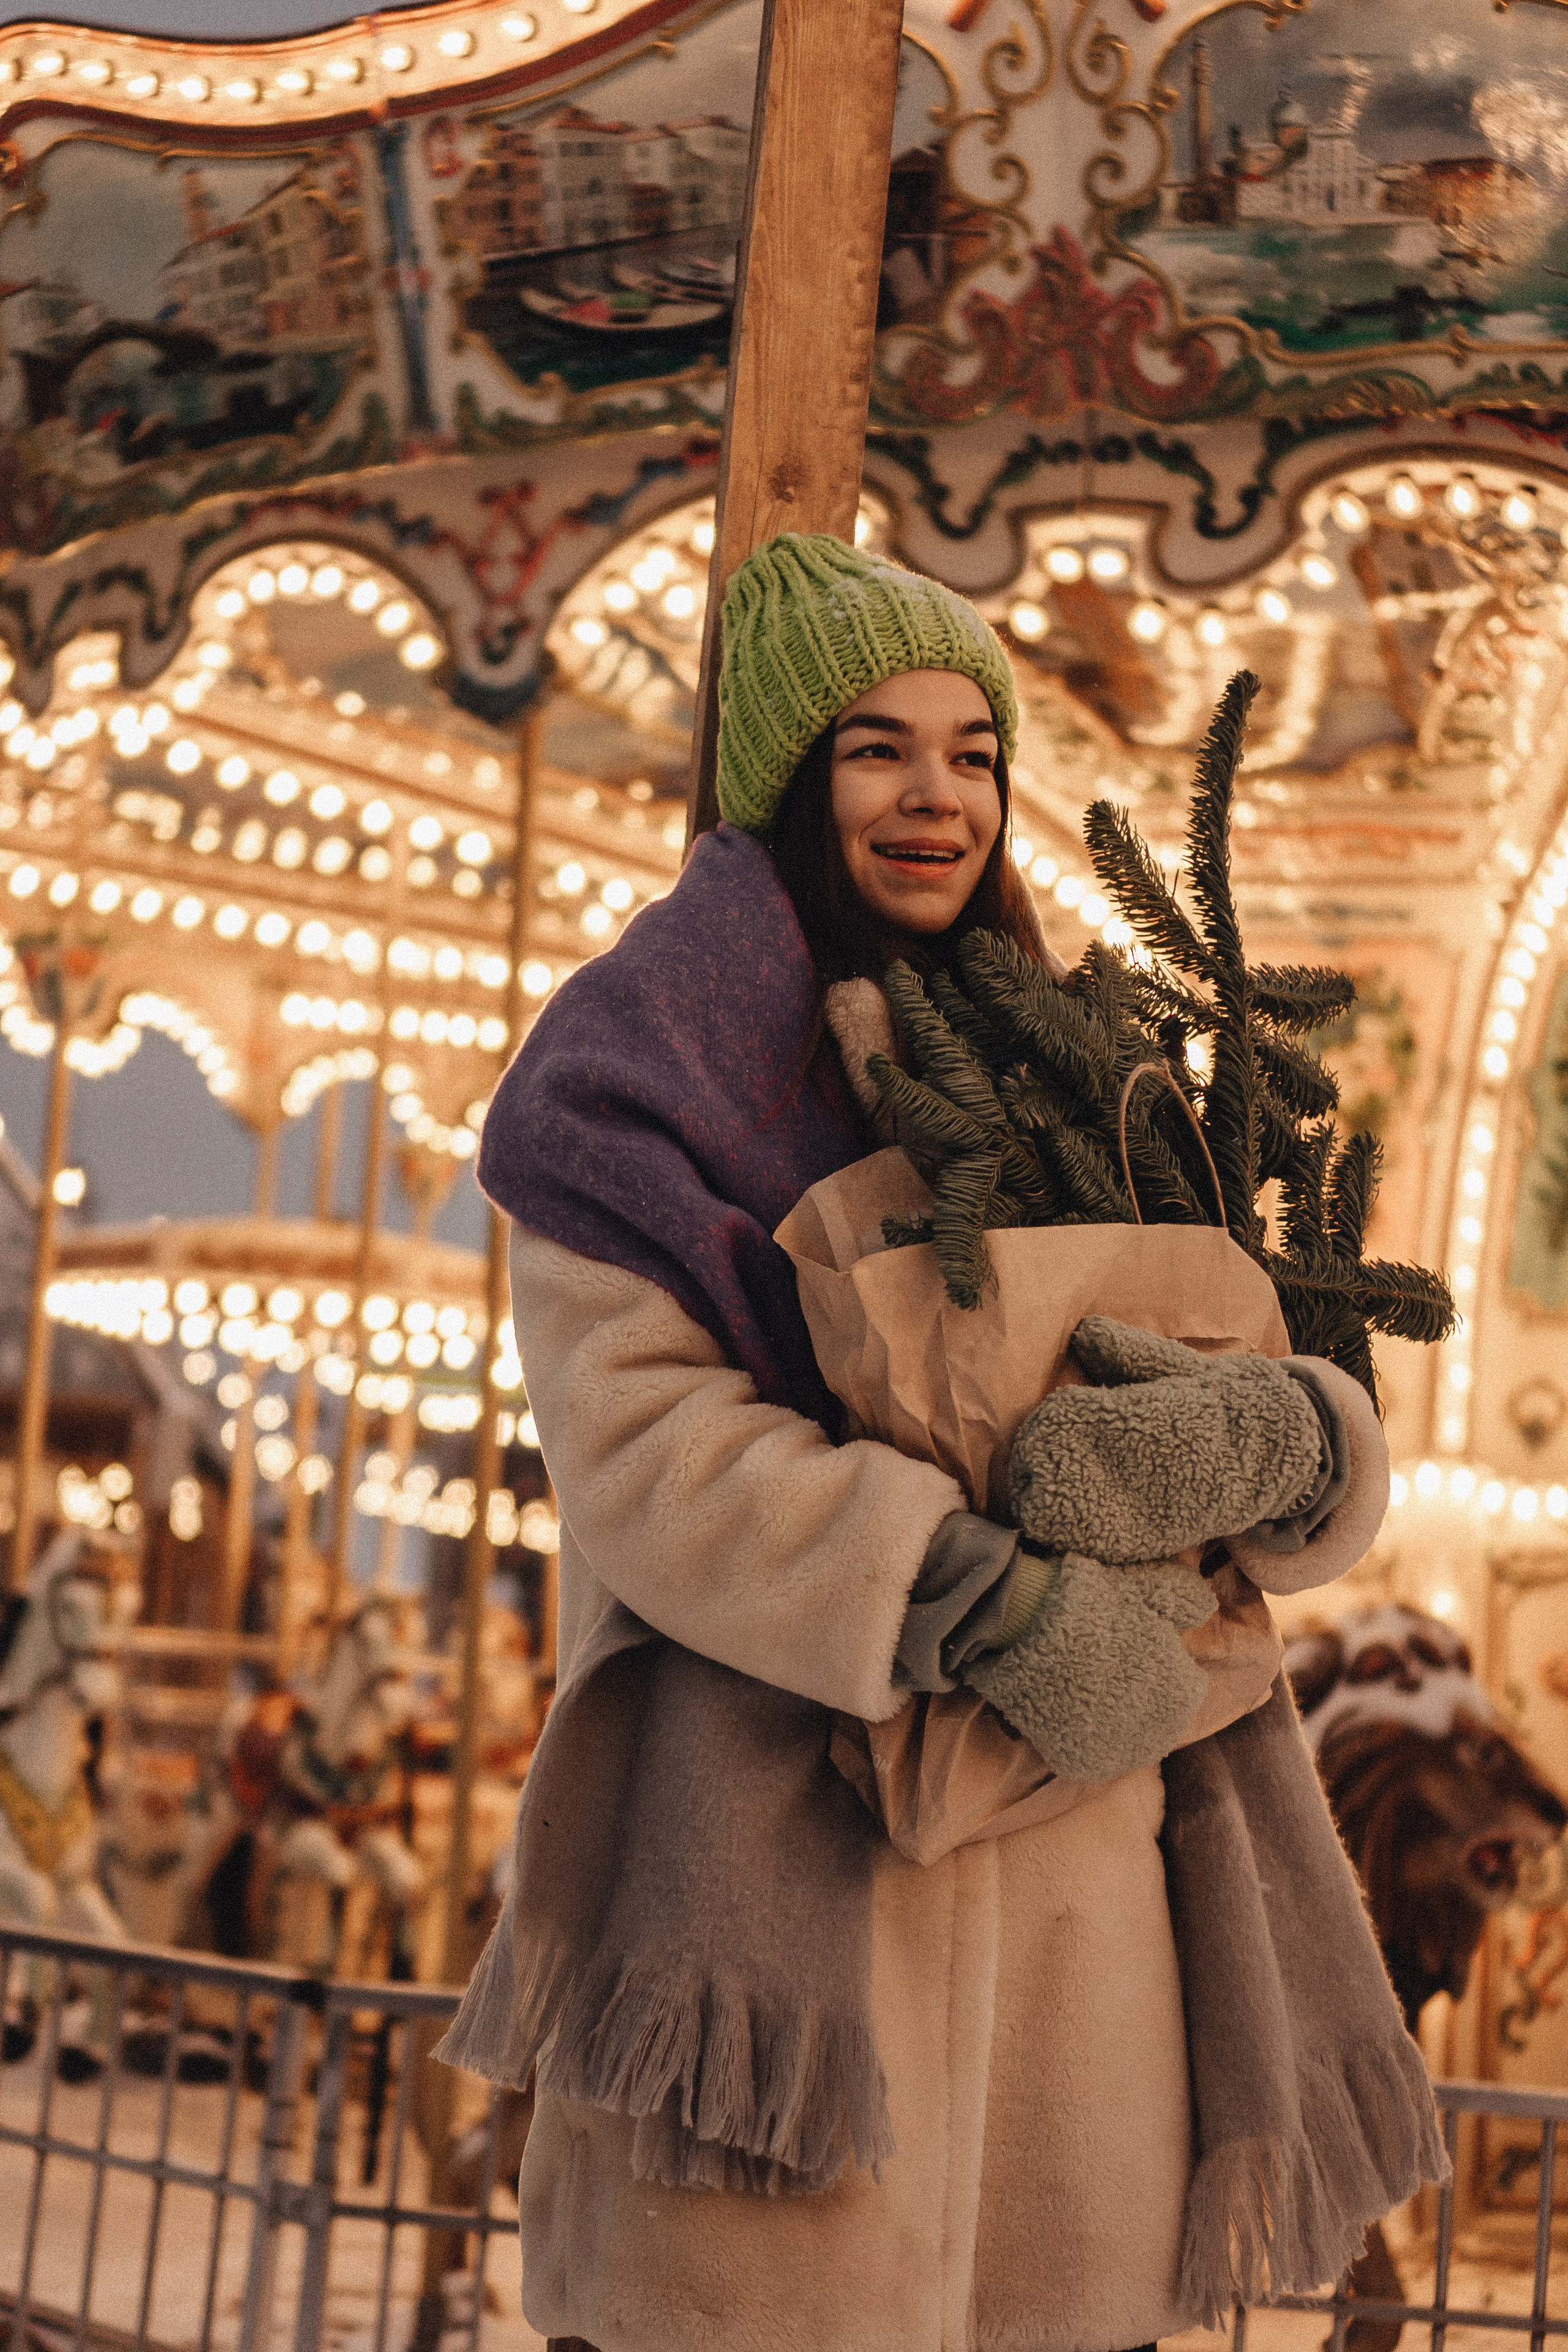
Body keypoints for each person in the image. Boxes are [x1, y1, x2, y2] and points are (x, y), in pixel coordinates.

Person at [438, 534, 1444, 2352]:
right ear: (790, 781)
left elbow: (1238, 1348)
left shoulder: (1078, 1059)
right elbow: (647, 1459)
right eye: (878, 748)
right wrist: (964, 1588)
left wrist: (1294, 1441)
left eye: (975, 752)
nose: (937, 796)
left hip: (1081, 1890)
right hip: (796, 1862)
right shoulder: (639, 1086)